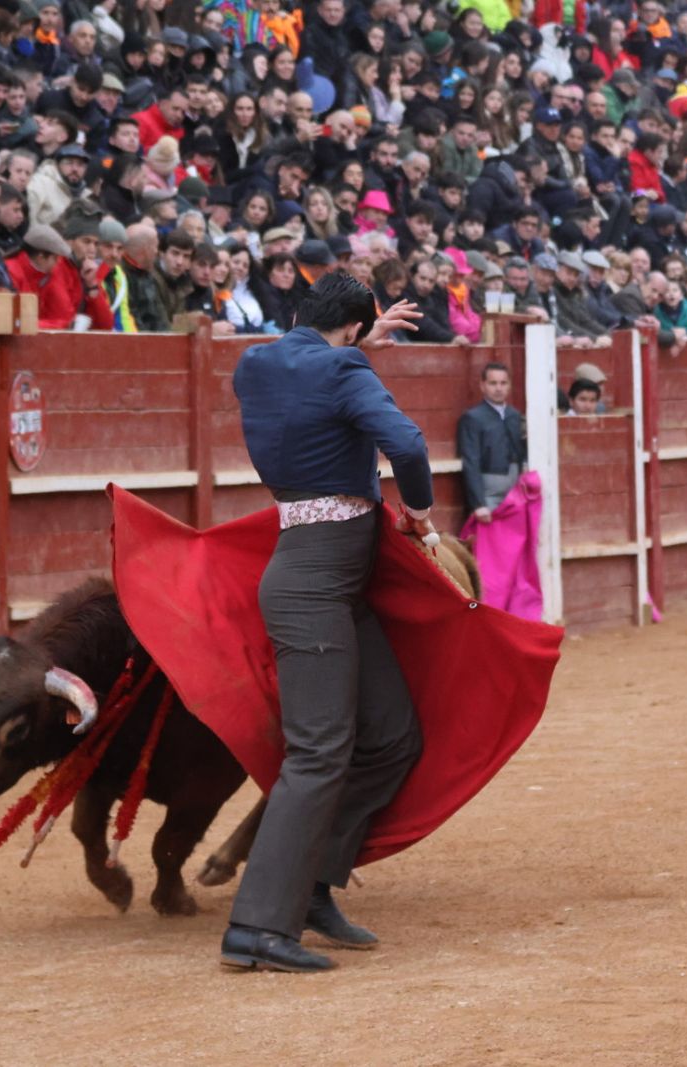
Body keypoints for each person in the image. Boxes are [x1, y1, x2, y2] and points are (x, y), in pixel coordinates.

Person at [221, 273, 431, 974]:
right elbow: (407, 443)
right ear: (351, 329)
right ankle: (256, 926)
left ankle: (309, 885)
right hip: (319, 581)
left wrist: (356, 336)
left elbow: (300, 363)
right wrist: (422, 513)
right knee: (317, 752)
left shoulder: (255, 360)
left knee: (392, 734)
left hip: (317, 573)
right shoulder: (345, 364)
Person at [456, 362, 526, 524]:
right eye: (493, 383)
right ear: (483, 386)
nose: (498, 388)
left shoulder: (514, 415)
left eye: (503, 383)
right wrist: (479, 503)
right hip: (488, 493)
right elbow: (471, 462)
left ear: (509, 386)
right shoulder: (472, 418)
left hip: (515, 491)